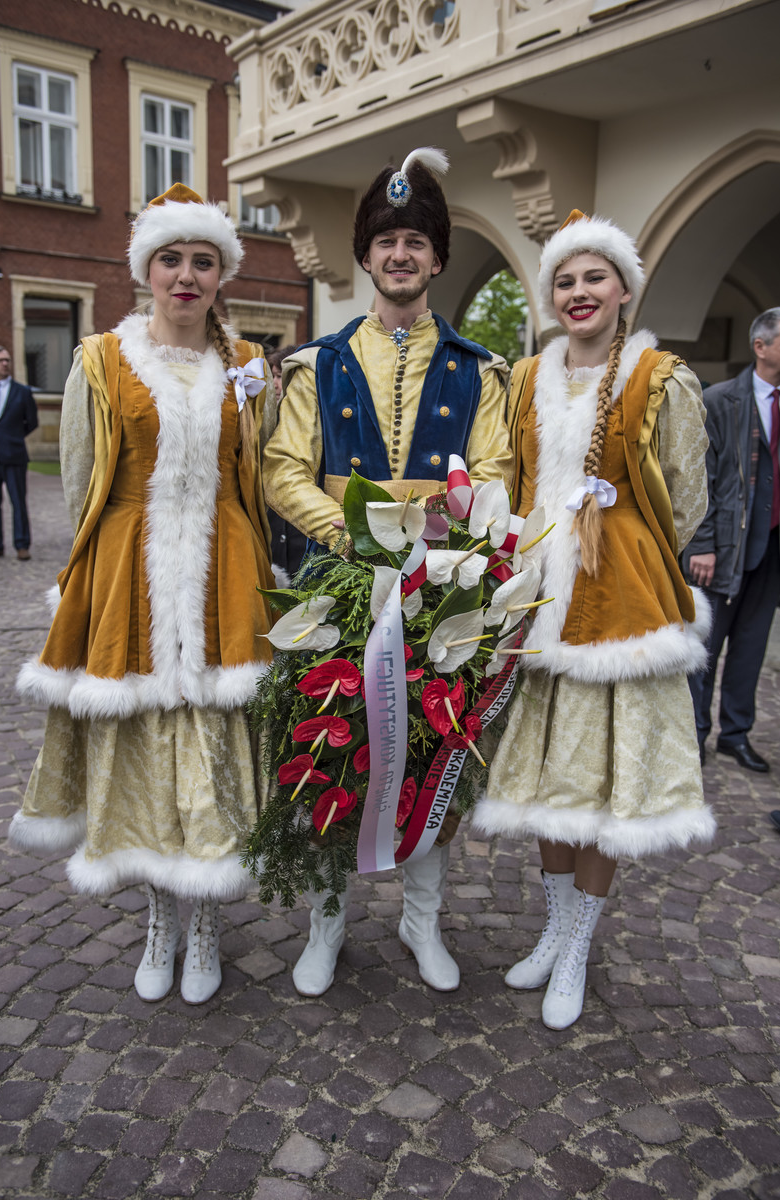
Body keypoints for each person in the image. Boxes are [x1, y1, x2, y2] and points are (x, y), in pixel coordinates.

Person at [9, 183, 276, 1005]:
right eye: (171, 260)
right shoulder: (102, 359)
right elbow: (82, 480)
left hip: (225, 575)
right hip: (132, 571)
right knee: (143, 753)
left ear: (221, 274)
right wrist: (90, 581)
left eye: (202, 261)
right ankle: (161, 919)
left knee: (212, 748)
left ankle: (207, 922)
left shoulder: (246, 366)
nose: (186, 276)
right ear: (146, 271)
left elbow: (257, 476)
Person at [263, 147, 513, 997]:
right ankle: (327, 924)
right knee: (329, 749)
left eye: (415, 242)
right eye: (385, 241)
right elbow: (283, 469)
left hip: (440, 587)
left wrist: (444, 536)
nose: (399, 255)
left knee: (434, 755)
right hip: (335, 584)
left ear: (437, 259)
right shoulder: (316, 364)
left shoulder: (479, 370)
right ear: (364, 256)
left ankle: (421, 921)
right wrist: (346, 535)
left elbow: (493, 471)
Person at [474, 211, 716, 1030]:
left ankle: (578, 944)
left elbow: (685, 496)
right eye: (565, 280)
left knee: (604, 785)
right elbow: (508, 482)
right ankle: (552, 930)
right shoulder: (523, 378)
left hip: (617, 605)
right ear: (551, 295)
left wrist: (621, 544)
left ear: (622, 290)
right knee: (547, 781)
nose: (578, 292)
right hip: (538, 600)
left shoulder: (658, 377)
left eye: (594, 278)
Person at [682, 308, 780, 773]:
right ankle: (695, 734)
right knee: (706, 646)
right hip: (722, 547)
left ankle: (735, 734)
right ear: (761, 347)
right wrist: (702, 543)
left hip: (772, 549)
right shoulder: (720, 400)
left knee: (751, 646)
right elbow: (698, 478)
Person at [0, 345, 39, 560]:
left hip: (14, 455)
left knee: (18, 502)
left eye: (7, 360)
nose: (5, 364)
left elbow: (31, 422)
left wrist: (13, 437)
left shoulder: (22, 392)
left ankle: (22, 545)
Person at [265, 344, 306, 581]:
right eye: (273, 376)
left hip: (303, 542)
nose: (274, 383)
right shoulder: (264, 422)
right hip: (273, 541)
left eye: (280, 376)